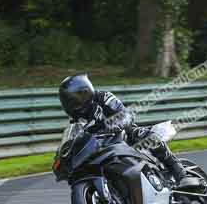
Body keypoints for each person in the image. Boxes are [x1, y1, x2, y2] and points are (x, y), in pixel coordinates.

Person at [58, 74, 199, 188]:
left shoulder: (103, 97)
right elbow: (75, 136)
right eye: (68, 101)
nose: (72, 103)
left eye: (74, 99)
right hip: (102, 146)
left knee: (143, 136)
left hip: (123, 135)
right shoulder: (77, 118)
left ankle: (181, 173)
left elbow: (126, 115)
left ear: (85, 92)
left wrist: (114, 124)